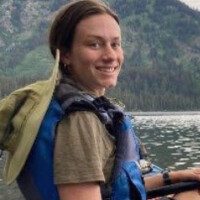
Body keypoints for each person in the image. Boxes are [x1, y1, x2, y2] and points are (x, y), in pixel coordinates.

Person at [0, 0, 200, 200]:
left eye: (115, 44)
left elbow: (113, 188)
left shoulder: (84, 108)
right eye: (94, 44)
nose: (110, 55)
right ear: (66, 54)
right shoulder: (78, 120)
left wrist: (172, 178)